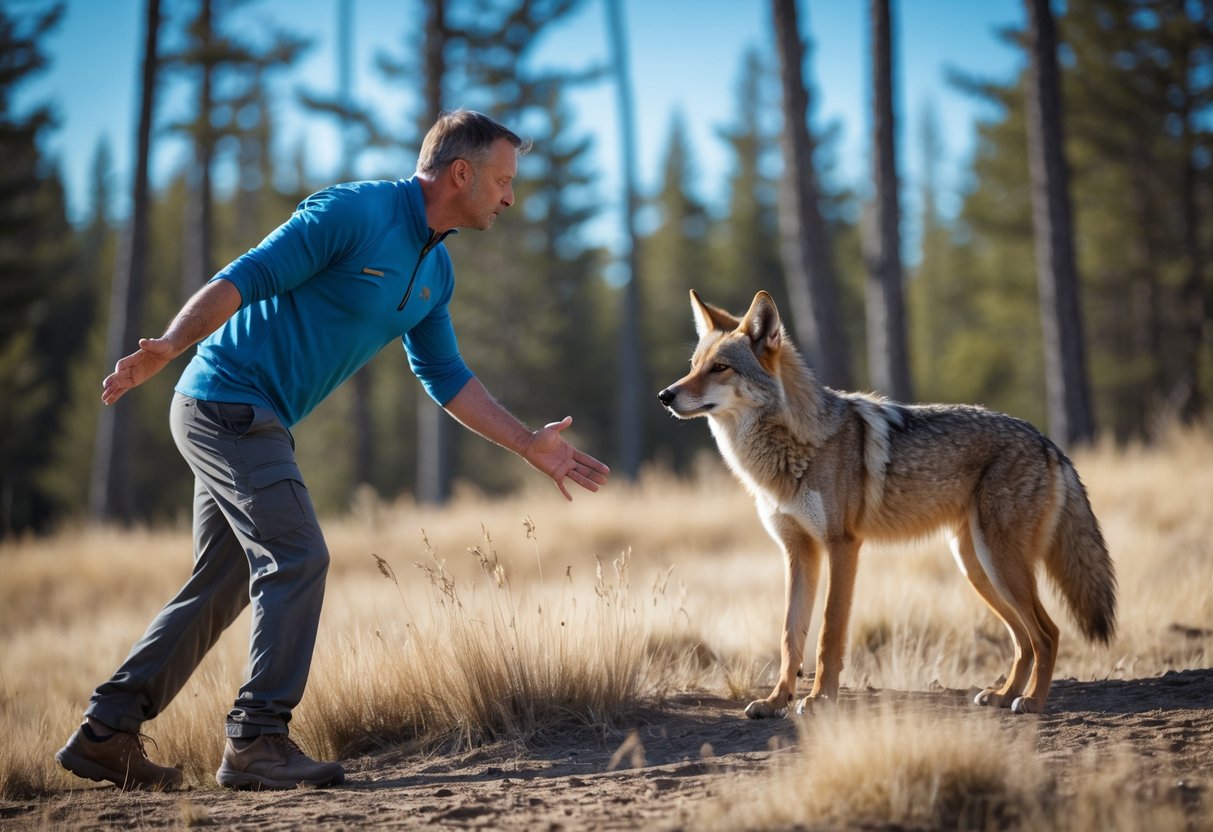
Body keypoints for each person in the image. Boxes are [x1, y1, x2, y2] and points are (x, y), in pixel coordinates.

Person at [56, 110, 610, 791]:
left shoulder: (435, 271)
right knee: (298, 555)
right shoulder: (354, 211)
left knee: (225, 581)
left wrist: (529, 444)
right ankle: (257, 739)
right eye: (502, 180)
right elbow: (246, 275)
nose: (509, 197)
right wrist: (170, 346)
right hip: (224, 403)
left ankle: (106, 732)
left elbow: (445, 376)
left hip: (257, 419)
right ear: (460, 173)